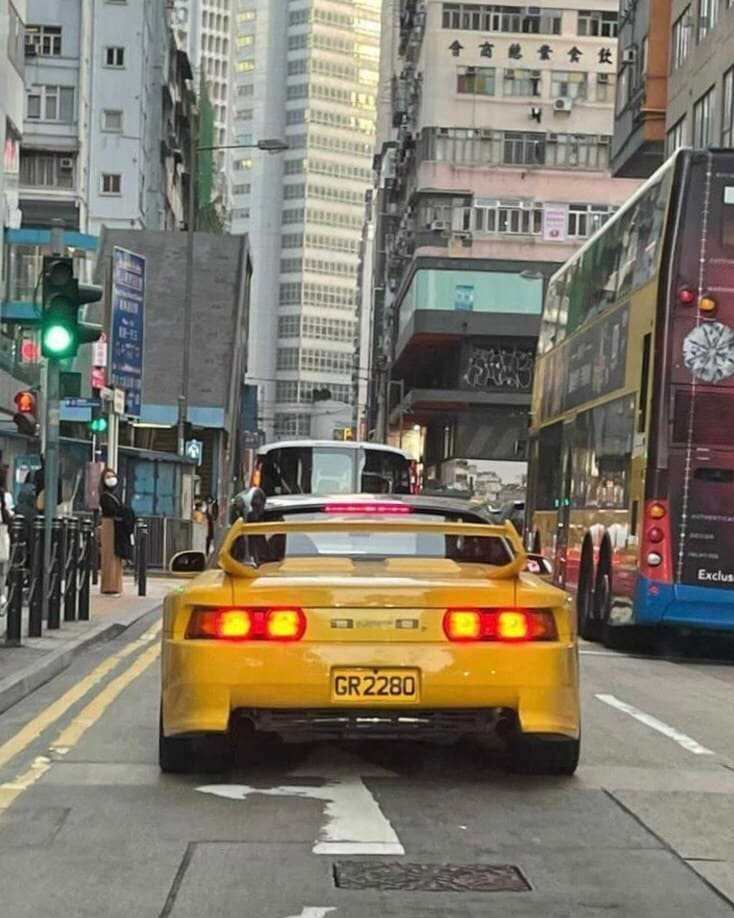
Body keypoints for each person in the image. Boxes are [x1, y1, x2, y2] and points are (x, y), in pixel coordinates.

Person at [99, 468, 135, 595]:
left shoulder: (115, 495)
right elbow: (111, 511)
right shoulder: (105, 496)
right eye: (108, 477)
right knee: (110, 556)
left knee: (116, 557)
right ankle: (109, 587)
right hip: (110, 526)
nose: (111, 479)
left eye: (113, 476)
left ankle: (115, 586)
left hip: (115, 527)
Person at [0, 469, 14, 611]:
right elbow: (10, 514)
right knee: (2, 569)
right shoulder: (6, 496)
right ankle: (1, 596)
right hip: (2, 534)